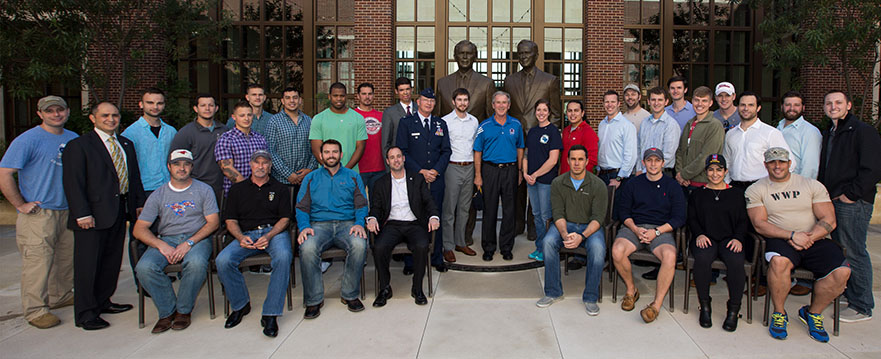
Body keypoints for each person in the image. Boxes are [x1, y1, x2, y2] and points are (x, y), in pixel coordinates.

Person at [746, 147, 850, 342]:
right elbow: (759, 224)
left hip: (814, 238)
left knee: (842, 272)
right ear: (765, 165)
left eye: (781, 162)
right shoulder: (757, 189)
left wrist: (808, 237)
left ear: (789, 164)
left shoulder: (811, 185)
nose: (777, 166)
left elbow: (829, 219)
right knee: (778, 262)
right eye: (772, 162)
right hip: (781, 238)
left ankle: (813, 313)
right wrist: (792, 235)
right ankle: (779, 313)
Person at [62, 102, 146, 330]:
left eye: (115, 115)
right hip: (92, 215)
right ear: (93, 118)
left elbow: (134, 177)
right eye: (105, 115)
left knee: (111, 259)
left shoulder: (125, 144)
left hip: (119, 209)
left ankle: (103, 301)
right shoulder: (79, 146)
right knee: (88, 264)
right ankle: (86, 313)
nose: (111, 119)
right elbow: (73, 183)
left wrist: (138, 204)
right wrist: (82, 213)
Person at [0, 95, 77, 329]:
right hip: (39, 213)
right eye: (50, 111)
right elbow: (5, 173)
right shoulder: (28, 140)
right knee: (38, 261)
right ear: (40, 114)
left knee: (66, 259)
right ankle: (35, 310)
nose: (56, 114)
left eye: (60, 110)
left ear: (67, 111)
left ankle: (60, 295)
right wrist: (20, 205)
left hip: (67, 209)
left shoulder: (73, 138)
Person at [133, 149, 220, 334]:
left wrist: (189, 242)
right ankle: (167, 311)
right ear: (169, 167)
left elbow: (213, 222)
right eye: (177, 164)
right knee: (144, 267)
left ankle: (183, 311)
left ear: (191, 167)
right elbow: (139, 229)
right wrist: (160, 244)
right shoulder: (158, 194)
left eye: (186, 164)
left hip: (197, 239)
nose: (182, 168)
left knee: (196, 264)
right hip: (167, 239)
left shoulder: (204, 190)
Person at [818, 90, 881, 322]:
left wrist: (851, 195)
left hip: (853, 203)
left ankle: (862, 304)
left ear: (849, 105)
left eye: (838, 103)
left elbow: (873, 168)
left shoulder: (863, 132)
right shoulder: (831, 133)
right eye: (829, 103)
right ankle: (852, 293)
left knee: (854, 250)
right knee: (841, 249)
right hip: (834, 201)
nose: (833, 106)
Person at [215, 150, 292, 337]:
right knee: (223, 260)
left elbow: (285, 219)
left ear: (270, 166)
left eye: (264, 163)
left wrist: (270, 235)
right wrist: (240, 237)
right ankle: (240, 305)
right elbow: (230, 220)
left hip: (273, 232)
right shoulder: (237, 190)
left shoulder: (280, 188)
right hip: (246, 234)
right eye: (256, 162)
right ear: (250, 165)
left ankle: (271, 313)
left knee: (283, 256)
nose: (260, 166)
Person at [295, 139, 369, 319]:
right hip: (319, 225)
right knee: (307, 247)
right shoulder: (311, 178)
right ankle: (313, 300)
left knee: (360, 245)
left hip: (347, 224)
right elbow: (301, 207)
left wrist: (359, 222)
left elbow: (361, 204)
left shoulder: (352, 175)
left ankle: (350, 294)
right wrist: (304, 227)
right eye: (327, 152)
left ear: (341, 155)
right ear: (321, 155)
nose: (331, 155)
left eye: (334, 152)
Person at [610, 148, 685, 323]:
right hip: (634, 228)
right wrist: (636, 229)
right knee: (617, 250)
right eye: (649, 160)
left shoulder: (672, 186)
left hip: (661, 230)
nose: (653, 164)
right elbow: (623, 212)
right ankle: (631, 290)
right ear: (643, 163)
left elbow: (679, 217)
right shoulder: (634, 184)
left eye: (656, 160)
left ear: (663, 163)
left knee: (669, 255)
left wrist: (656, 232)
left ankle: (656, 305)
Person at [535, 145, 607, 315]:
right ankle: (553, 292)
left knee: (597, 249)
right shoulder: (558, 183)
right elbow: (558, 213)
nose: (576, 163)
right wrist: (565, 234)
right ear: (567, 161)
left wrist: (581, 236)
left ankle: (590, 297)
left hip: (590, 227)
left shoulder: (598, 185)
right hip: (565, 224)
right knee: (547, 242)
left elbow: (598, 218)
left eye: (580, 159)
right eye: (573, 159)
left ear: (587, 162)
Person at [368, 147, 440, 307]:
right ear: (388, 161)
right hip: (392, 224)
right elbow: (376, 207)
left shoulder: (417, 179)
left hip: (414, 223)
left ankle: (417, 288)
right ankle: (385, 288)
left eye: (399, 156)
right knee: (379, 247)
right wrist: (372, 218)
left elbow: (429, 202)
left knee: (422, 245)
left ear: (404, 158)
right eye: (392, 157)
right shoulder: (381, 183)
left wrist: (434, 217)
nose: (396, 160)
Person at [121, 88, 178, 287]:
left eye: (159, 103)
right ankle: (143, 281)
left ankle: (160, 271)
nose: (155, 107)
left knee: (167, 232)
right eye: (150, 103)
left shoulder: (170, 131)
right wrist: (135, 198)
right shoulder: (130, 133)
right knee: (142, 236)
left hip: (168, 189)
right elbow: (127, 169)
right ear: (141, 104)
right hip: (143, 190)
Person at [686, 154, 749, 331]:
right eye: (711, 170)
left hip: (729, 239)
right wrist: (698, 234)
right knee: (703, 260)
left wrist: (738, 237)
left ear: (725, 171)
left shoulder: (736, 194)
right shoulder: (698, 194)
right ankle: (705, 305)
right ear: (706, 172)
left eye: (719, 170)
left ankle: (734, 309)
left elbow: (743, 220)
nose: (715, 174)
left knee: (736, 262)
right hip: (706, 237)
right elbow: (692, 218)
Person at [396, 87, 451, 271]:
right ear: (417, 102)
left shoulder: (440, 124)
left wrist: (435, 170)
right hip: (414, 179)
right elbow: (402, 151)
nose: (429, 103)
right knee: (412, 218)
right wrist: (421, 171)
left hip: (436, 179)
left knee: (436, 216)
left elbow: (446, 151)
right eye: (425, 100)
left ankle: (436, 257)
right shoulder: (406, 123)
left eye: (432, 101)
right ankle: (410, 261)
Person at [473, 91, 525, 261]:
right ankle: (488, 247)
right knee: (490, 209)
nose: (501, 105)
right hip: (490, 170)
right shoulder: (484, 125)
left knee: (509, 210)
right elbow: (478, 151)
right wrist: (478, 175)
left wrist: (519, 171)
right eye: (498, 102)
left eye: (504, 102)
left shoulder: (516, 125)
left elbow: (520, 149)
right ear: (493, 105)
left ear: (509, 105)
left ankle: (506, 247)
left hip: (510, 170)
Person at [723, 91, 792, 189]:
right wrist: (727, 182)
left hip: (761, 187)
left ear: (758, 108)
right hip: (735, 187)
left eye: (751, 105)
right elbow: (727, 161)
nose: (746, 109)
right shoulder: (731, 134)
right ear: (738, 107)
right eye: (743, 105)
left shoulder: (770, 133)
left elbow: (789, 162)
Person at [440, 88, 479, 261]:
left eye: (465, 100)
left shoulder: (474, 121)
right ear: (453, 101)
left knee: (464, 208)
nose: (462, 103)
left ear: (468, 102)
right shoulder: (445, 122)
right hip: (452, 167)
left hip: (469, 167)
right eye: (459, 100)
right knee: (449, 208)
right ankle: (447, 245)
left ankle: (460, 242)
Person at [522, 99, 562, 261]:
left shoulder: (553, 132)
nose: (541, 113)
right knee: (536, 215)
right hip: (531, 181)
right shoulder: (532, 132)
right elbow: (526, 155)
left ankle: (549, 249)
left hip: (545, 181)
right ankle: (540, 247)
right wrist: (525, 173)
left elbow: (553, 160)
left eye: (544, 110)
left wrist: (536, 174)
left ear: (549, 113)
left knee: (546, 216)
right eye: (538, 110)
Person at [170, 93, 229, 202]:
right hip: (196, 187)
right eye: (203, 105)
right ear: (196, 109)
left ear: (216, 108)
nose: (207, 108)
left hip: (220, 186)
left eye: (211, 105)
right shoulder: (186, 133)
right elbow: (175, 162)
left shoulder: (225, 131)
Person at [264, 86, 319, 194]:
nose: (292, 101)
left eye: (295, 97)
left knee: (303, 210)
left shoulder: (309, 121)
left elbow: (315, 147)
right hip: (281, 179)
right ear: (282, 101)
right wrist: (288, 174)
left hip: (305, 179)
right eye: (288, 98)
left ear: (300, 100)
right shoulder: (274, 122)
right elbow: (270, 150)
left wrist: (309, 169)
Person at [504, 39, 563, 130]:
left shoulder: (549, 81)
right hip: (514, 136)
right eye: (520, 53)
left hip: (539, 136)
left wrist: (547, 134)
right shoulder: (509, 81)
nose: (523, 56)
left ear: (536, 56)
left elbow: (555, 114)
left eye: (527, 53)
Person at [674, 86, 724, 192]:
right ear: (692, 101)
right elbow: (680, 151)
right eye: (696, 100)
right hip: (685, 184)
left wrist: (684, 174)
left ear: (710, 103)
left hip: (703, 184)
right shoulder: (689, 123)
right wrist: (679, 174)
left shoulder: (714, 125)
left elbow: (706, 157)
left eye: (704, 101)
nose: (699, 104)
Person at [309, 82, 368, 172]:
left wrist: (344, 171)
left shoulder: (358, 118)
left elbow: (360, 148)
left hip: (350, 173)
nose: (339, 99)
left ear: (346, 97)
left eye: (342, 96)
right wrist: (330, 169)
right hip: (325, 173)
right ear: (329, 97)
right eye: (335, 96)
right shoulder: (318, 119)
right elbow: (316, 148)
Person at [215, 100, 268, 196]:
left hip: (260, 191)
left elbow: (266, 165)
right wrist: (249, 187)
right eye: (242, 115)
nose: (246, 118)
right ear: (234, 117)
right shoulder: (226, 139)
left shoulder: (260, 138)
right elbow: (227, 168)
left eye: (249, 115)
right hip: (236, 193)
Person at [436, 40, 495, 121]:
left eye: (469, 53)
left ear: (475, 57)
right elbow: (437, 116)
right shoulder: (442, 83)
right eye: (461, 53)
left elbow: (490, 117)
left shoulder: (486, 84)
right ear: (455, 56)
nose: (465, 57)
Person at [635, 87, 680, 176]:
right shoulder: (644, 123)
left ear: (666, 102)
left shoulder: (671, 125)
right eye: (653, 100)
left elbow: (668, 155)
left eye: (660, 100)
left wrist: (649, 169)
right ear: (648, 101)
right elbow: (639, 148)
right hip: (643, 173)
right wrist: (639, 169)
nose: (656, 103)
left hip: (663, 173)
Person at [776, 91, 821, 179]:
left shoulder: (810, 131)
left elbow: (810, 166)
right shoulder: (778, 128)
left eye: (796, 105)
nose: (792, 108)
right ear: (782, 107)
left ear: (803, 108)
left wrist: (802, 188)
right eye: (788, 104)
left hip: (796, 186)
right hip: (777, 184)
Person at [597, 90, 638, 187]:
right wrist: (598, 170)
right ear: (603, 104)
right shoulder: (602, 124)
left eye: (613, 102)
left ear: (618, 104)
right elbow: (601, 149)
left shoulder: (626, 126)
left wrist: (619, 178)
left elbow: (631, 156)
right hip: (602, 174)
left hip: (618, 176)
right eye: (607, 102)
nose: (609, 105)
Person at [354, 82, 386, 190]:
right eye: (364, 94)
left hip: (379, 168)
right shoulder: (352, 116)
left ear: (373, 95)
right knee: (358, 203)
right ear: (358, 96)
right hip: (358, 168)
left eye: (370, 94)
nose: (367, 97)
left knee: (377, 204)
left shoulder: (382, 116)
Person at [560, 100, 599, 175]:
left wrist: (579, 178)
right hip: (564, 177)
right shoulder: (566, 131)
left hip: (578, 179)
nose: (573, 113)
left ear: (582, 113)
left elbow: (591, 160)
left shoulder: (588, 132)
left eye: (576, 110)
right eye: (570, 110)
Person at [381, 77, 415, 155]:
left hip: (417, 161)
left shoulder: (420, 109)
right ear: (396, 91)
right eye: (401, 90)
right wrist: (389, 165)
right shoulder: (389, 112)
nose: (405, 92)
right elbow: (385, 143)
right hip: (398, 160)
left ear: (411, 90)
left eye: (407, 89)